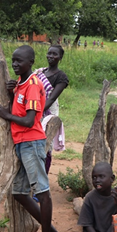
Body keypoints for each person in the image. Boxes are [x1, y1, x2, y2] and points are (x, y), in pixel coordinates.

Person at [0, 45, 68, 232]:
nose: (15, 64)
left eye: (20, 61)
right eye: (13, 61)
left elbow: (29, 120)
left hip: (32, 143)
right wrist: (12, 91)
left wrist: (6, 115)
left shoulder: (34, 85)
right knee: (19, 192)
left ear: (31, 63)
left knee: (43, 193)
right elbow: (20, 105)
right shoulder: (22, 83)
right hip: (22, 145)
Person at [34, 45, 69, 174]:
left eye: (55, 54)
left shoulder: (61, 77)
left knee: (46, 145)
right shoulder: (40, 73)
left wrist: (36, 113)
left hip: (47, 113)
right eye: (49, 53)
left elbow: (51, 98)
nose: (51, 56)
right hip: (35, 109)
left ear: (60, 57)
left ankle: (43, 176)